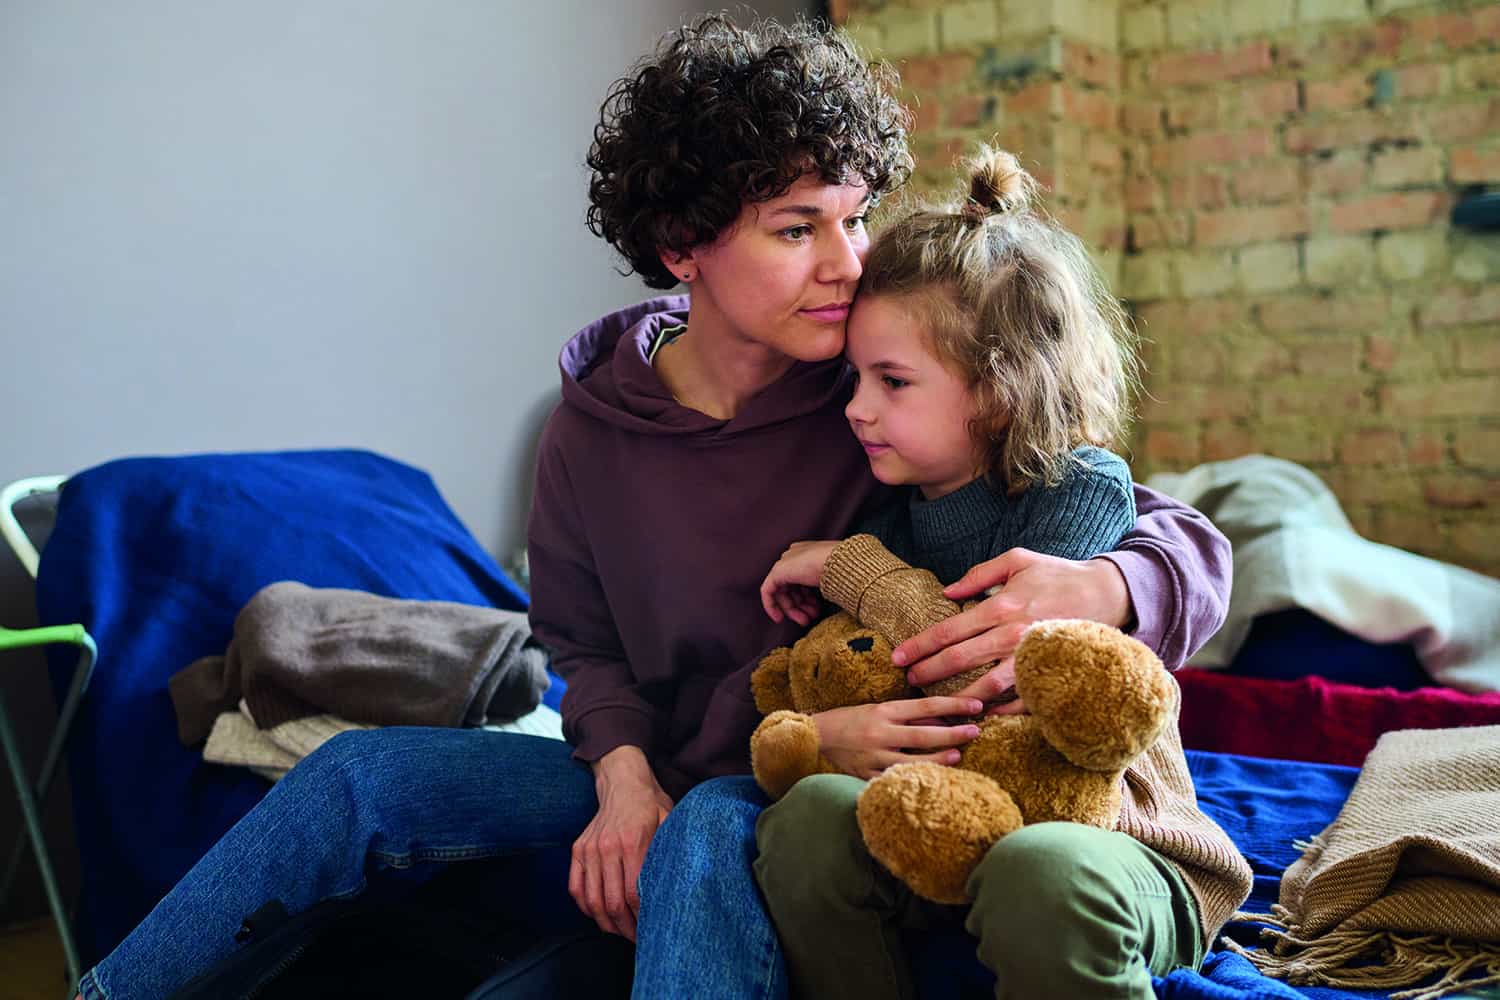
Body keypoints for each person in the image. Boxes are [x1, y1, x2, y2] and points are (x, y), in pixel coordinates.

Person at [74, 17, 1233, 1000]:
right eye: (798, 228)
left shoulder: (884, 385)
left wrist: (1111, 583)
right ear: (684, 248)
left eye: (857, 216)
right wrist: (621, 772)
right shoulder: (591, 427)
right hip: (657, 755)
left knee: (704, 837)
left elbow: (1140, 510)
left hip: (774, 773)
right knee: (360, 777)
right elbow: (577, 641)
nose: (848, 262)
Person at [749, 149, 1252, 1000]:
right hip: (944, 828)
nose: (856, 408)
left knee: (1039, 869)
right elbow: (865, 674)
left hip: (1110, 838)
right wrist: (820, 732)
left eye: (893, 382)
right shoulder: (889, 514)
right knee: (803, 821)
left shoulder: (1076, 488)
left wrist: (853, 571)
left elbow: (992, 674)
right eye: (856, 378)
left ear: (1000, 392)